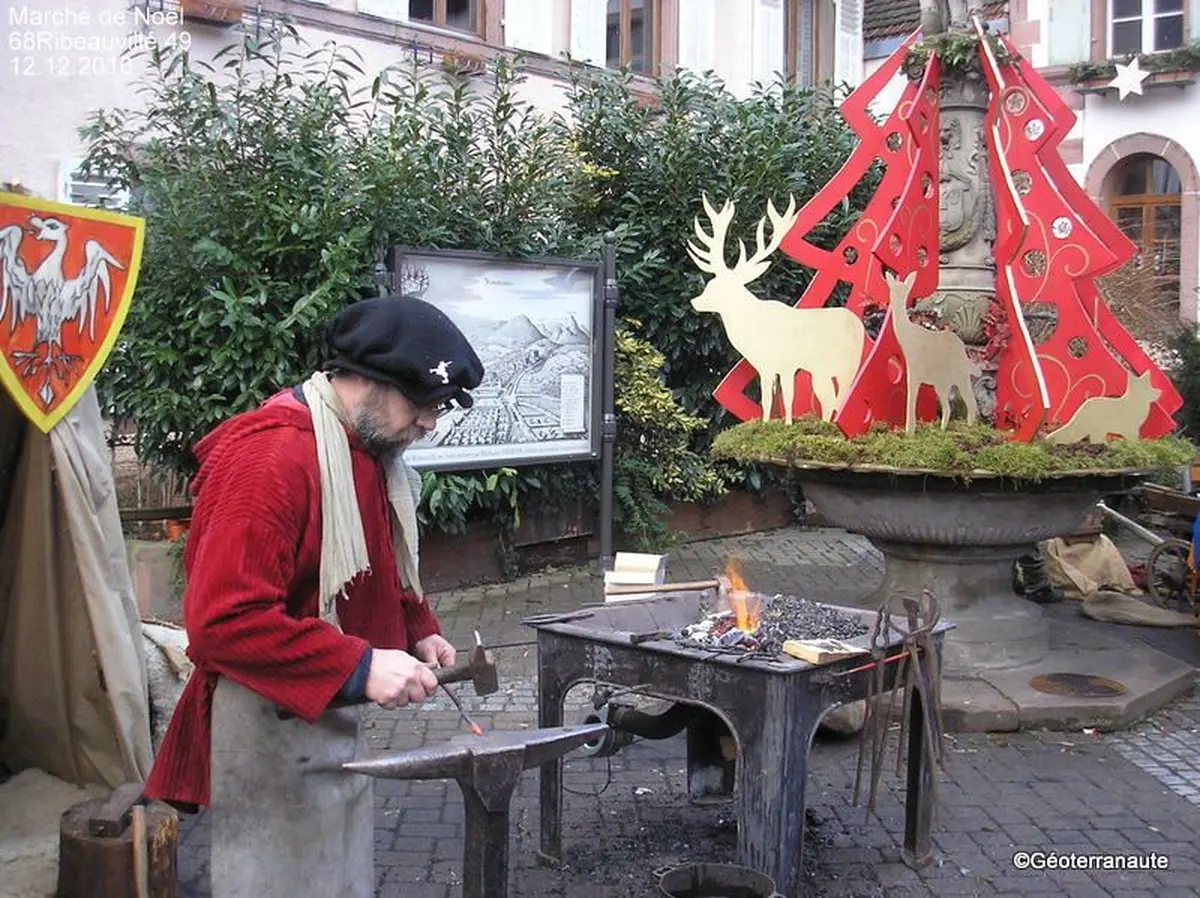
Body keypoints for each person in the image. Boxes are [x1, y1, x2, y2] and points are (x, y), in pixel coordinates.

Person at [141, 294, 484, 896]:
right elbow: (223, 622)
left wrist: (417, 629)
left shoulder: (361, 446)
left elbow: (374, 561)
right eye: (422, 403)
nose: (430, 423)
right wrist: (360, 666)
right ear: (368, 379)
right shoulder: (270, 458)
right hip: (262, 723)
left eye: (438, 408)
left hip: (325, 714)